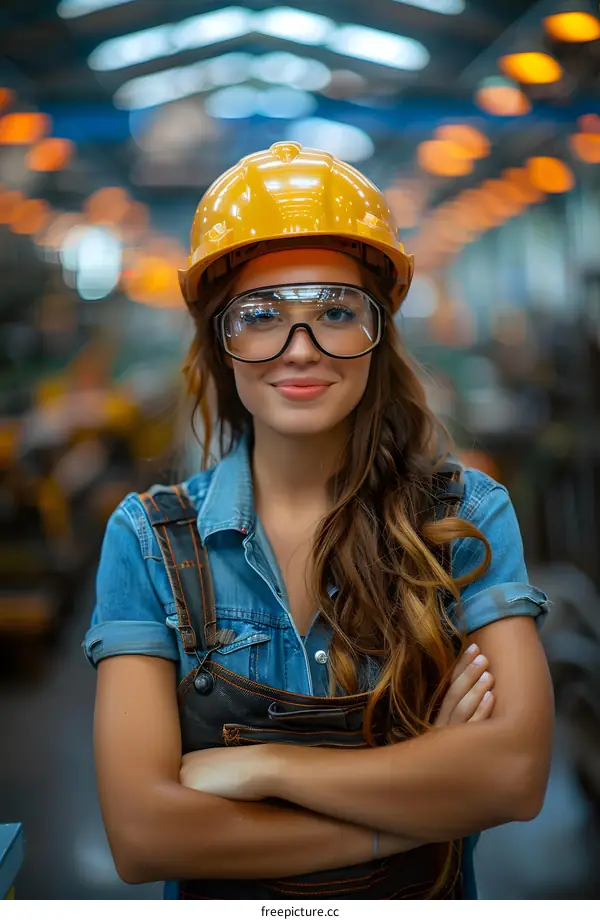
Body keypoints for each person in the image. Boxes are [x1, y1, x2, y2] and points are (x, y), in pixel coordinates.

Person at [85, 142, 554, 900]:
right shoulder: (146, 540)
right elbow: (144, 835)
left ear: (378, 333)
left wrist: (272, 767)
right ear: (221, 339)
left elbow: (514, 775)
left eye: (336, 312)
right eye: (261, 316)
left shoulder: (466, 516)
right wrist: (414, 808)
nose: (299, 350)